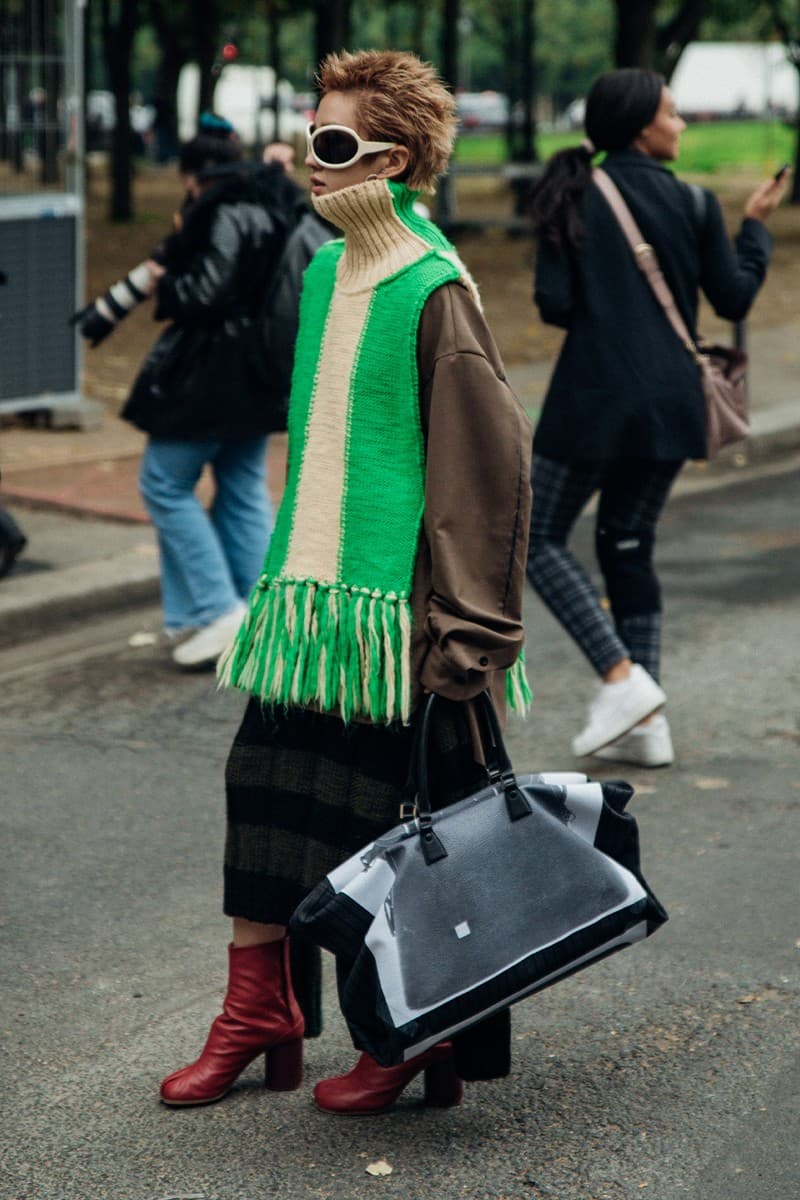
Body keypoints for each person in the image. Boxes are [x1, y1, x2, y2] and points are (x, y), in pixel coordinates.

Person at [158, 49, 533, 1116]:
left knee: (386, 835)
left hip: (394, 618)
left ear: (393, 159)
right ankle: (261, 1014)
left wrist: (465, 633)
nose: (308, 163)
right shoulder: (327, 271)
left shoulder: (431, 287)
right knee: (264, 799)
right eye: (309, 137)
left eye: (330, 145)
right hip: (308, 609)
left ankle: (406, 1032)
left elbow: (489, 471)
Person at [526, 68, 786, 768]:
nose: (683, 125)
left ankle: (621, 679)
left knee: (535, 538)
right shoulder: (697, 203)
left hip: (591, 401)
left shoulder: (571, 193)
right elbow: (732, 298)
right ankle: (647, 724)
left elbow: (554, 304)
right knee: (629, 543)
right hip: (674, 404)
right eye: (675, 114)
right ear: (643, 124)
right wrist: (754, 227)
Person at [92, 117, 312, 666]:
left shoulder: (220, 210)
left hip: (210, 373)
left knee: (164, 482)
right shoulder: (273, 202)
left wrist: (168, 286)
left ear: (194, 176)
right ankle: (271, 616)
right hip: (261, 371)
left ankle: (219, 612)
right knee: (241, 486)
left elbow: (209, 291)